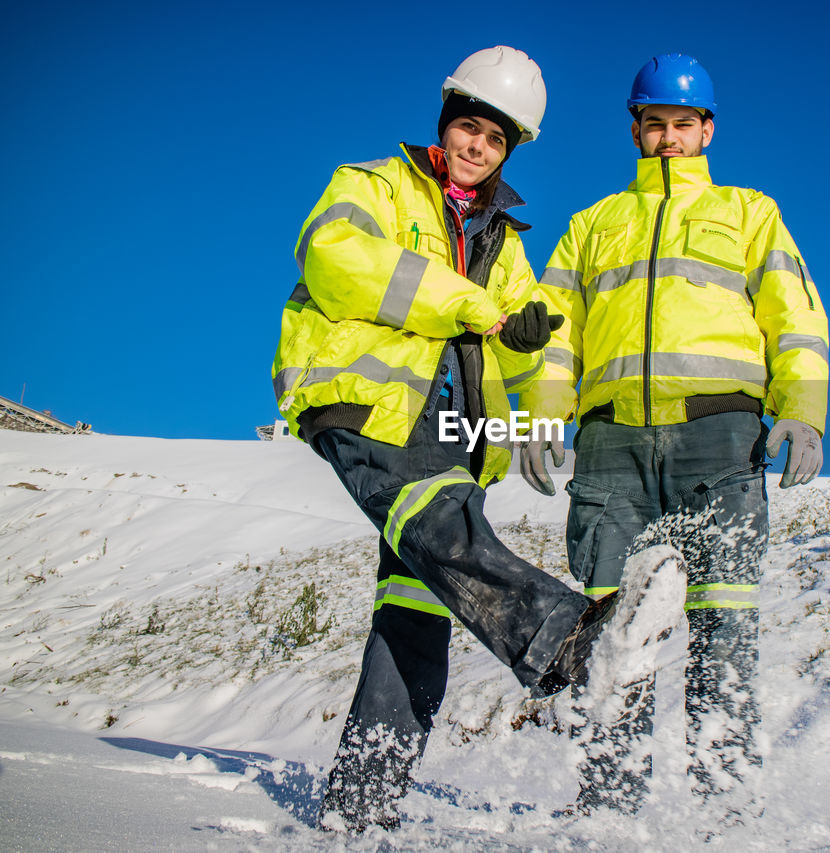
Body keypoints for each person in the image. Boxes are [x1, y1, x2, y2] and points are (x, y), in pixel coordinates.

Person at [271, 46, 654, 833]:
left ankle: (359, 807)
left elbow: (528, 339)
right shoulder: (373, 184)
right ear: (445, 122)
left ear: (511, 151)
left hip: (452, 430)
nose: (476, 147)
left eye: (494, 139)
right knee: (440, 520)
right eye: (467, 128)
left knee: (414, 612)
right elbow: (337, 258)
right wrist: (476, 307)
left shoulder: (503, 241)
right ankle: (567, 645)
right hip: (368, 405)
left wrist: (539, 386)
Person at [520, 53, 830, 818]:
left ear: (706, 129)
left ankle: (726, 812)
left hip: (719, 441)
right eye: (653, 125)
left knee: (724, 621)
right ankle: (608, 810)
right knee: (610, 630)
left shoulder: (751, 213)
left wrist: (803, 409)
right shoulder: (592, 226)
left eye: (681, 125)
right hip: (611, 449)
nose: (668, 139)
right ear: (635, 130)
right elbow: (557, 336)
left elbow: (795, 317)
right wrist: (540, 414)